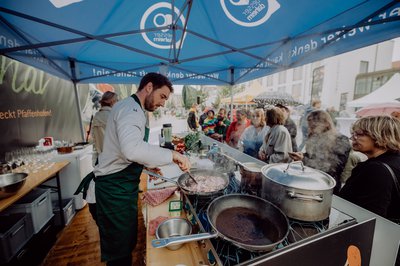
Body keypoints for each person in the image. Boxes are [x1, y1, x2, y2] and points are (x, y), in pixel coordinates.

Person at [85, 73, 190, 266]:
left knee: (125, 247)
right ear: (149, 87)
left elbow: (124, 151)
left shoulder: (133, 109)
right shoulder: (131, 110)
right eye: (163, 97)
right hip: (113, 193)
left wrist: (148, 164)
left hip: (120, 189)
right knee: (120, 256)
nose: (163, 103)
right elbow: (132, 150)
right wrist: (172, 155)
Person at [339, 116, 400, 222]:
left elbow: (369, 218)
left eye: (359, 134)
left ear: (381, 136)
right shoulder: (395, 160)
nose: (353, 138)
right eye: (353, 133)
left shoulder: (376, 169)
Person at [289, 110, 351, 194]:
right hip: (311, 182)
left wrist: (304, 160)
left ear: (325, 123)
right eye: (310, 127)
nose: (312, 130)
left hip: (327, 186)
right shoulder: (315, 137)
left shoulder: (340, 139)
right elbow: (313, 156)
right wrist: (302, 155)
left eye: (314, 127)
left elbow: (333, 168)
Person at [87, 91, 118, 223]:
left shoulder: (97, 116)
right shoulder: (114, 116)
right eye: (116, 101)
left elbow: (94, 141)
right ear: (112, 102)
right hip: (114, 161)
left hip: (100, 159)